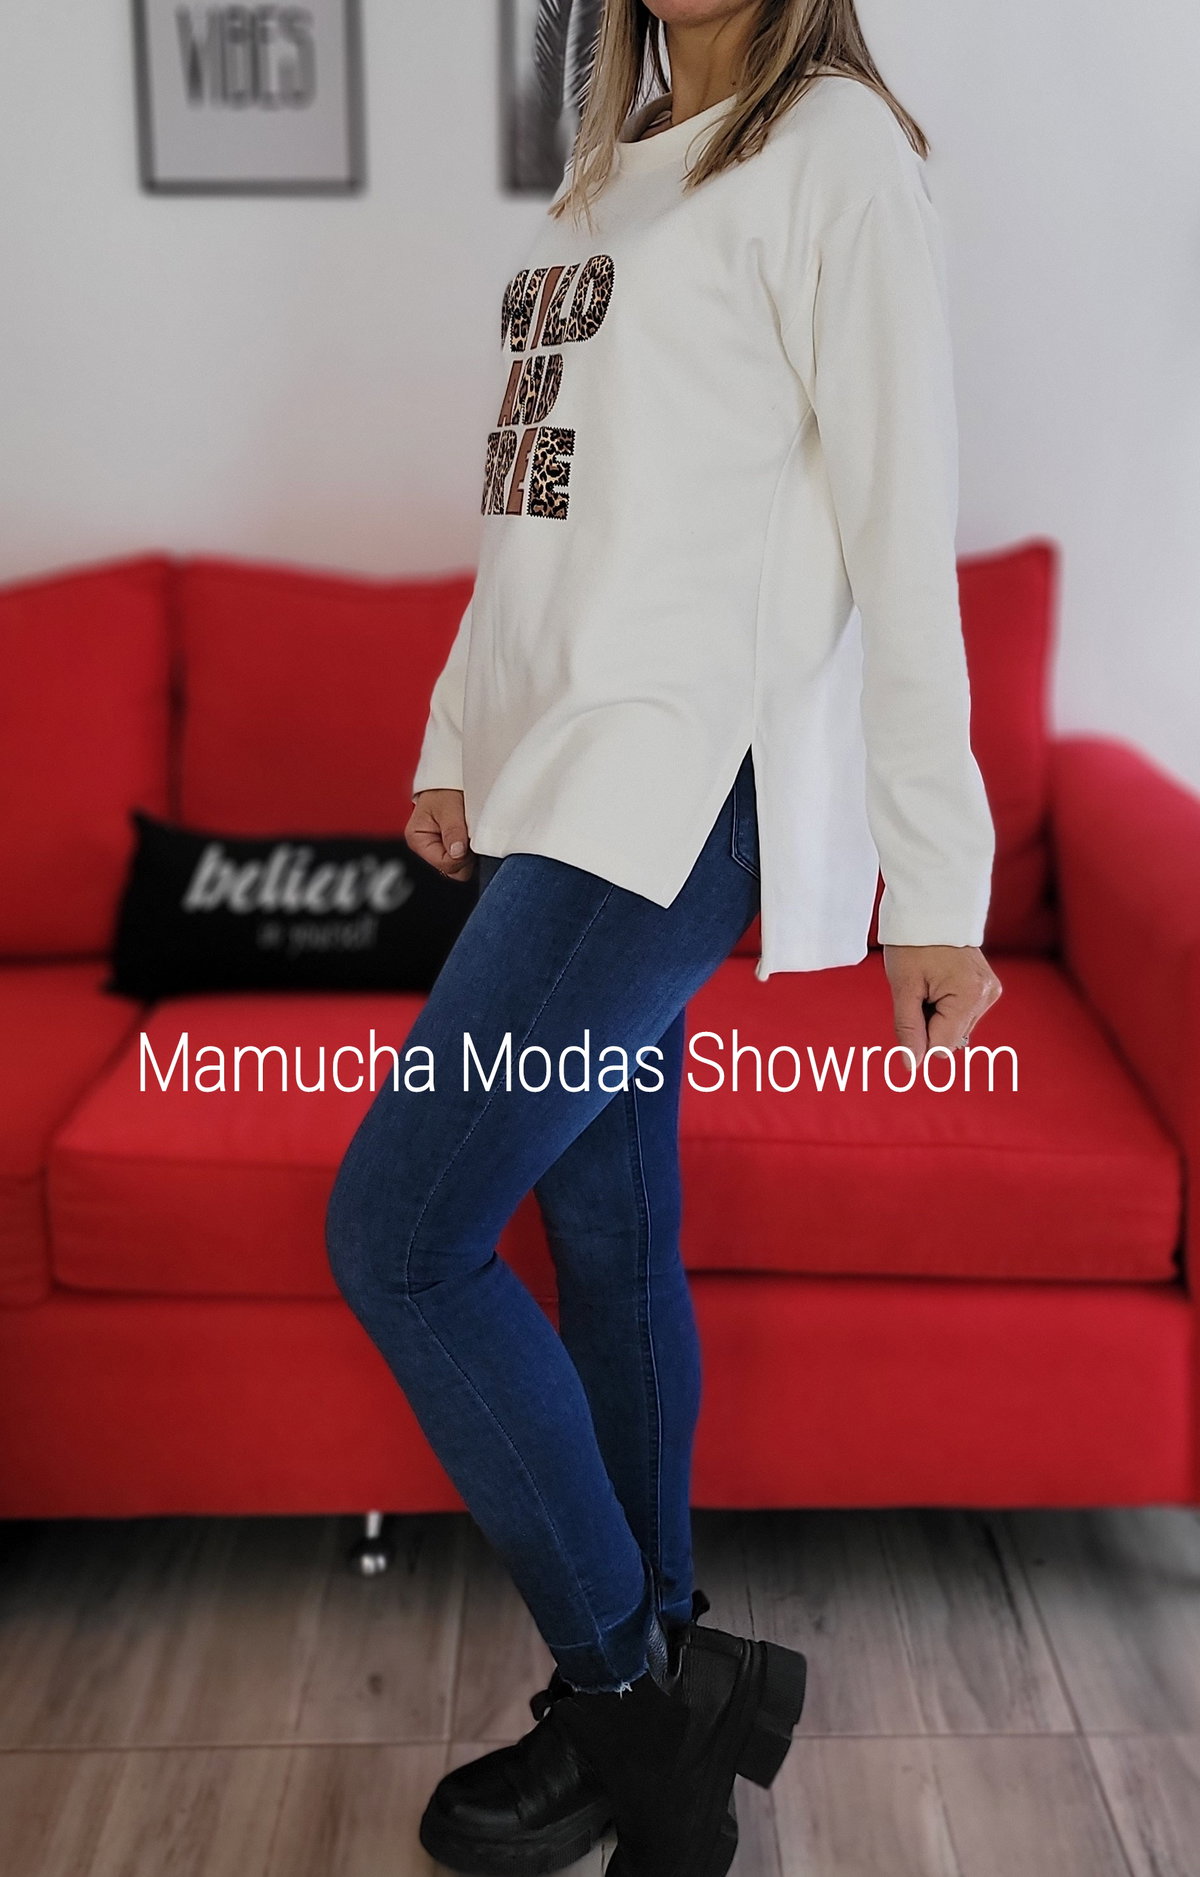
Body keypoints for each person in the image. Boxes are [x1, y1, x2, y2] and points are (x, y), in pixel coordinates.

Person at [324, 2, 1003, 1873]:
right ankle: (667, 1683)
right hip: (560, 778)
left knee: (397, 1232)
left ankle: (630, 1692)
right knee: (609, 1237)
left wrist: (936, 881)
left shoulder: (839, 156)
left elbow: (903, 527)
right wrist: (458, 733)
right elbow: (530, 497)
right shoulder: (607, 182)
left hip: (681, 789)